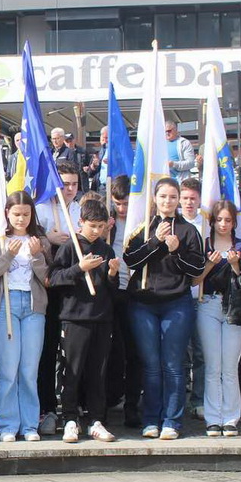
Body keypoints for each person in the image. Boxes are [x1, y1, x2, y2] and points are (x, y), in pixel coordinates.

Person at [124, 177, 206, 440]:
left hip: (176, 303)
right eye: (163, 197)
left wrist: (177, 251)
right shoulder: (144, 227)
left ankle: (172, 420)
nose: (168, 202)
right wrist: (153, 244)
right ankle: (151, 419)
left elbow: (196, 270)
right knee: (151, 365)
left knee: (173, 364)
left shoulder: (188, 230)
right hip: (143, 304)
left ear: (179, 199)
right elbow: (130, 260)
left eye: (173, 197)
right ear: (155, 199)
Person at [0, 191, 50, 442]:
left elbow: (48, 278)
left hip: (33, 307)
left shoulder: (39, 240)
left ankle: (30, 424)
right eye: (16, 214)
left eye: (26, 214)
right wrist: (7, 255)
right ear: (7, 214)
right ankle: (8, 424)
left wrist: (37, 256)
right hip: (5, 306)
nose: (21, 219)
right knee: (8, 368)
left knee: (29, 369)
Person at [48, 199, 118, 443]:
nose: (97, 231)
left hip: (101, 318)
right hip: (74, 317)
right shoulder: (70, 247)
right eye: (92, 226)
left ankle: (96, 419)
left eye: (101, 226)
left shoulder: (107, 249)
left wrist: (111, 274)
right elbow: (54, 278)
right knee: (72, 370)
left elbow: (112, 289)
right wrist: (79, 267)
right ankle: (69, 418)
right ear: (81, 223)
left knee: (98, 371)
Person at [192, 200, 241, 437]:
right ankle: (213, 418)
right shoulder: (205, 245)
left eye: (228, 220)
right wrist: (210, 263)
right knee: (213, 365)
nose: (223, 224)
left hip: (234, 308)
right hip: (208, 304)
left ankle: (230, 418)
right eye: (219, 219)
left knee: (230, 366)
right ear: (212, 221)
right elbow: (194, 281)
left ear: (234, 223)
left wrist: (236, 265)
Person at [35, 161, 81, 434]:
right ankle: (47, 407)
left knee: (73, 352)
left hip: (75, 290)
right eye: (65, 184)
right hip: (50, 288)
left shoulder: (79, 210)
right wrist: (47, 238)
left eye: (75, 184)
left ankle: (74, 406)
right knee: (47, 350)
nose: (70, 190)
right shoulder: (42, 209)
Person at [105, 175, 142, 428]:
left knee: (134, 352)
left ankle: (132, 405)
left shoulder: (141, 222)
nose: (122, 209)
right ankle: (108, 400)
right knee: (111, 351)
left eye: (126, 203)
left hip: (134, 291)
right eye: (117, 203)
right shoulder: (108, 223)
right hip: (110, 290)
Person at [179, 177, 206, 416]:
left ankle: (198, 399)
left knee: (200, 351)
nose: (188, 203)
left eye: (193, 199)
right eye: (185, 198)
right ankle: (182, 396)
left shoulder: (206, 223)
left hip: (202, 296)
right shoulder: (173, 223)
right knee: (181, 351)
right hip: (179, 295)